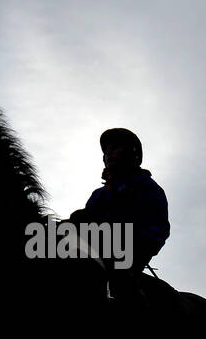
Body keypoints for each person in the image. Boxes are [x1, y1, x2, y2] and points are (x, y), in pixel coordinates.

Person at [69, 128, 169, 303]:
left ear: (134, 154)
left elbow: (157, 231)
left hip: (124, 261)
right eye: (106, 151)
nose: (108, 154)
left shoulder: (147, 187)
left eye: (115, 148)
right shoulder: (98, 194)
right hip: (90, 253)